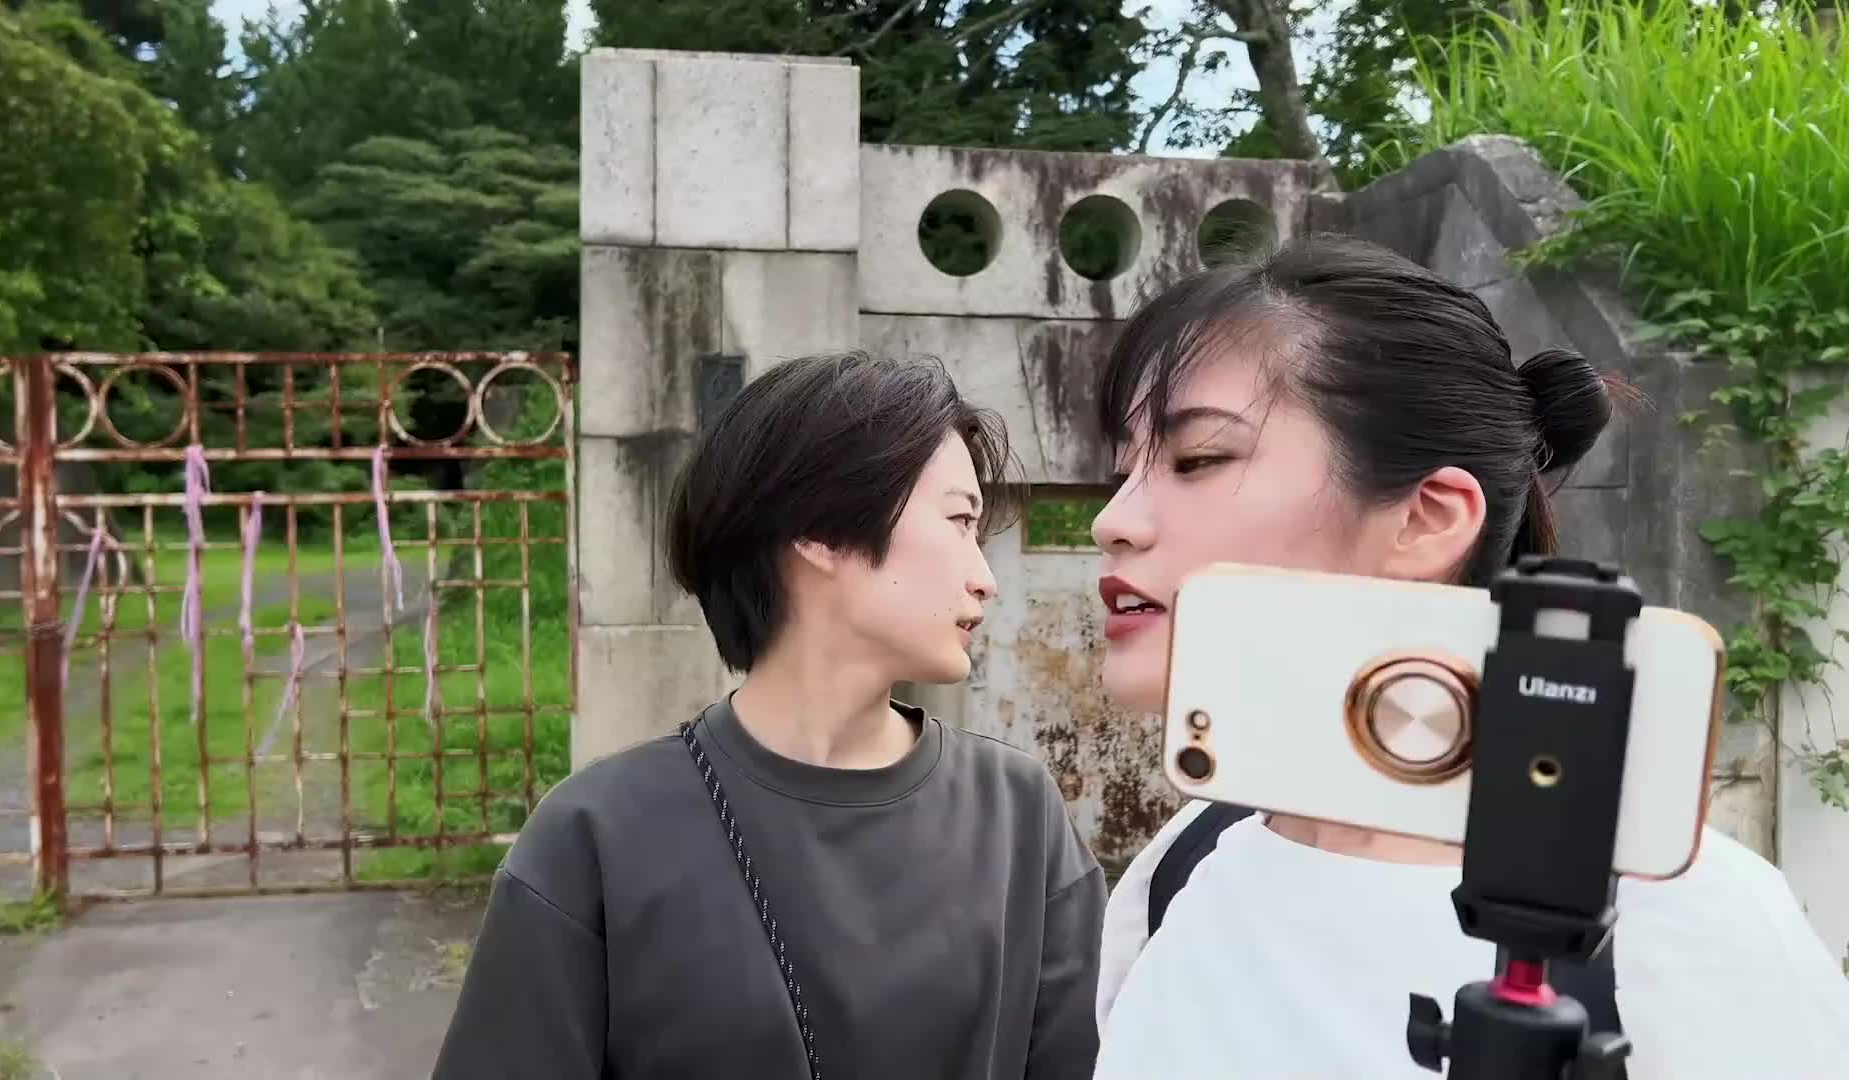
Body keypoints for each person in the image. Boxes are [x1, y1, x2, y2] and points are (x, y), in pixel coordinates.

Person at [1084, 234, 1849, 1079]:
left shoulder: (1681, 923)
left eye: (1197, 459)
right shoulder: (1186, 864)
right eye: (1124, 472)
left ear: (1427, 518)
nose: (1112, 522)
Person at [432, 351, 1107, 1080]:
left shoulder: (1020, 816)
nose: (985, 578)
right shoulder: (594, 838)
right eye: (959, 521)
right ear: (820, 530)